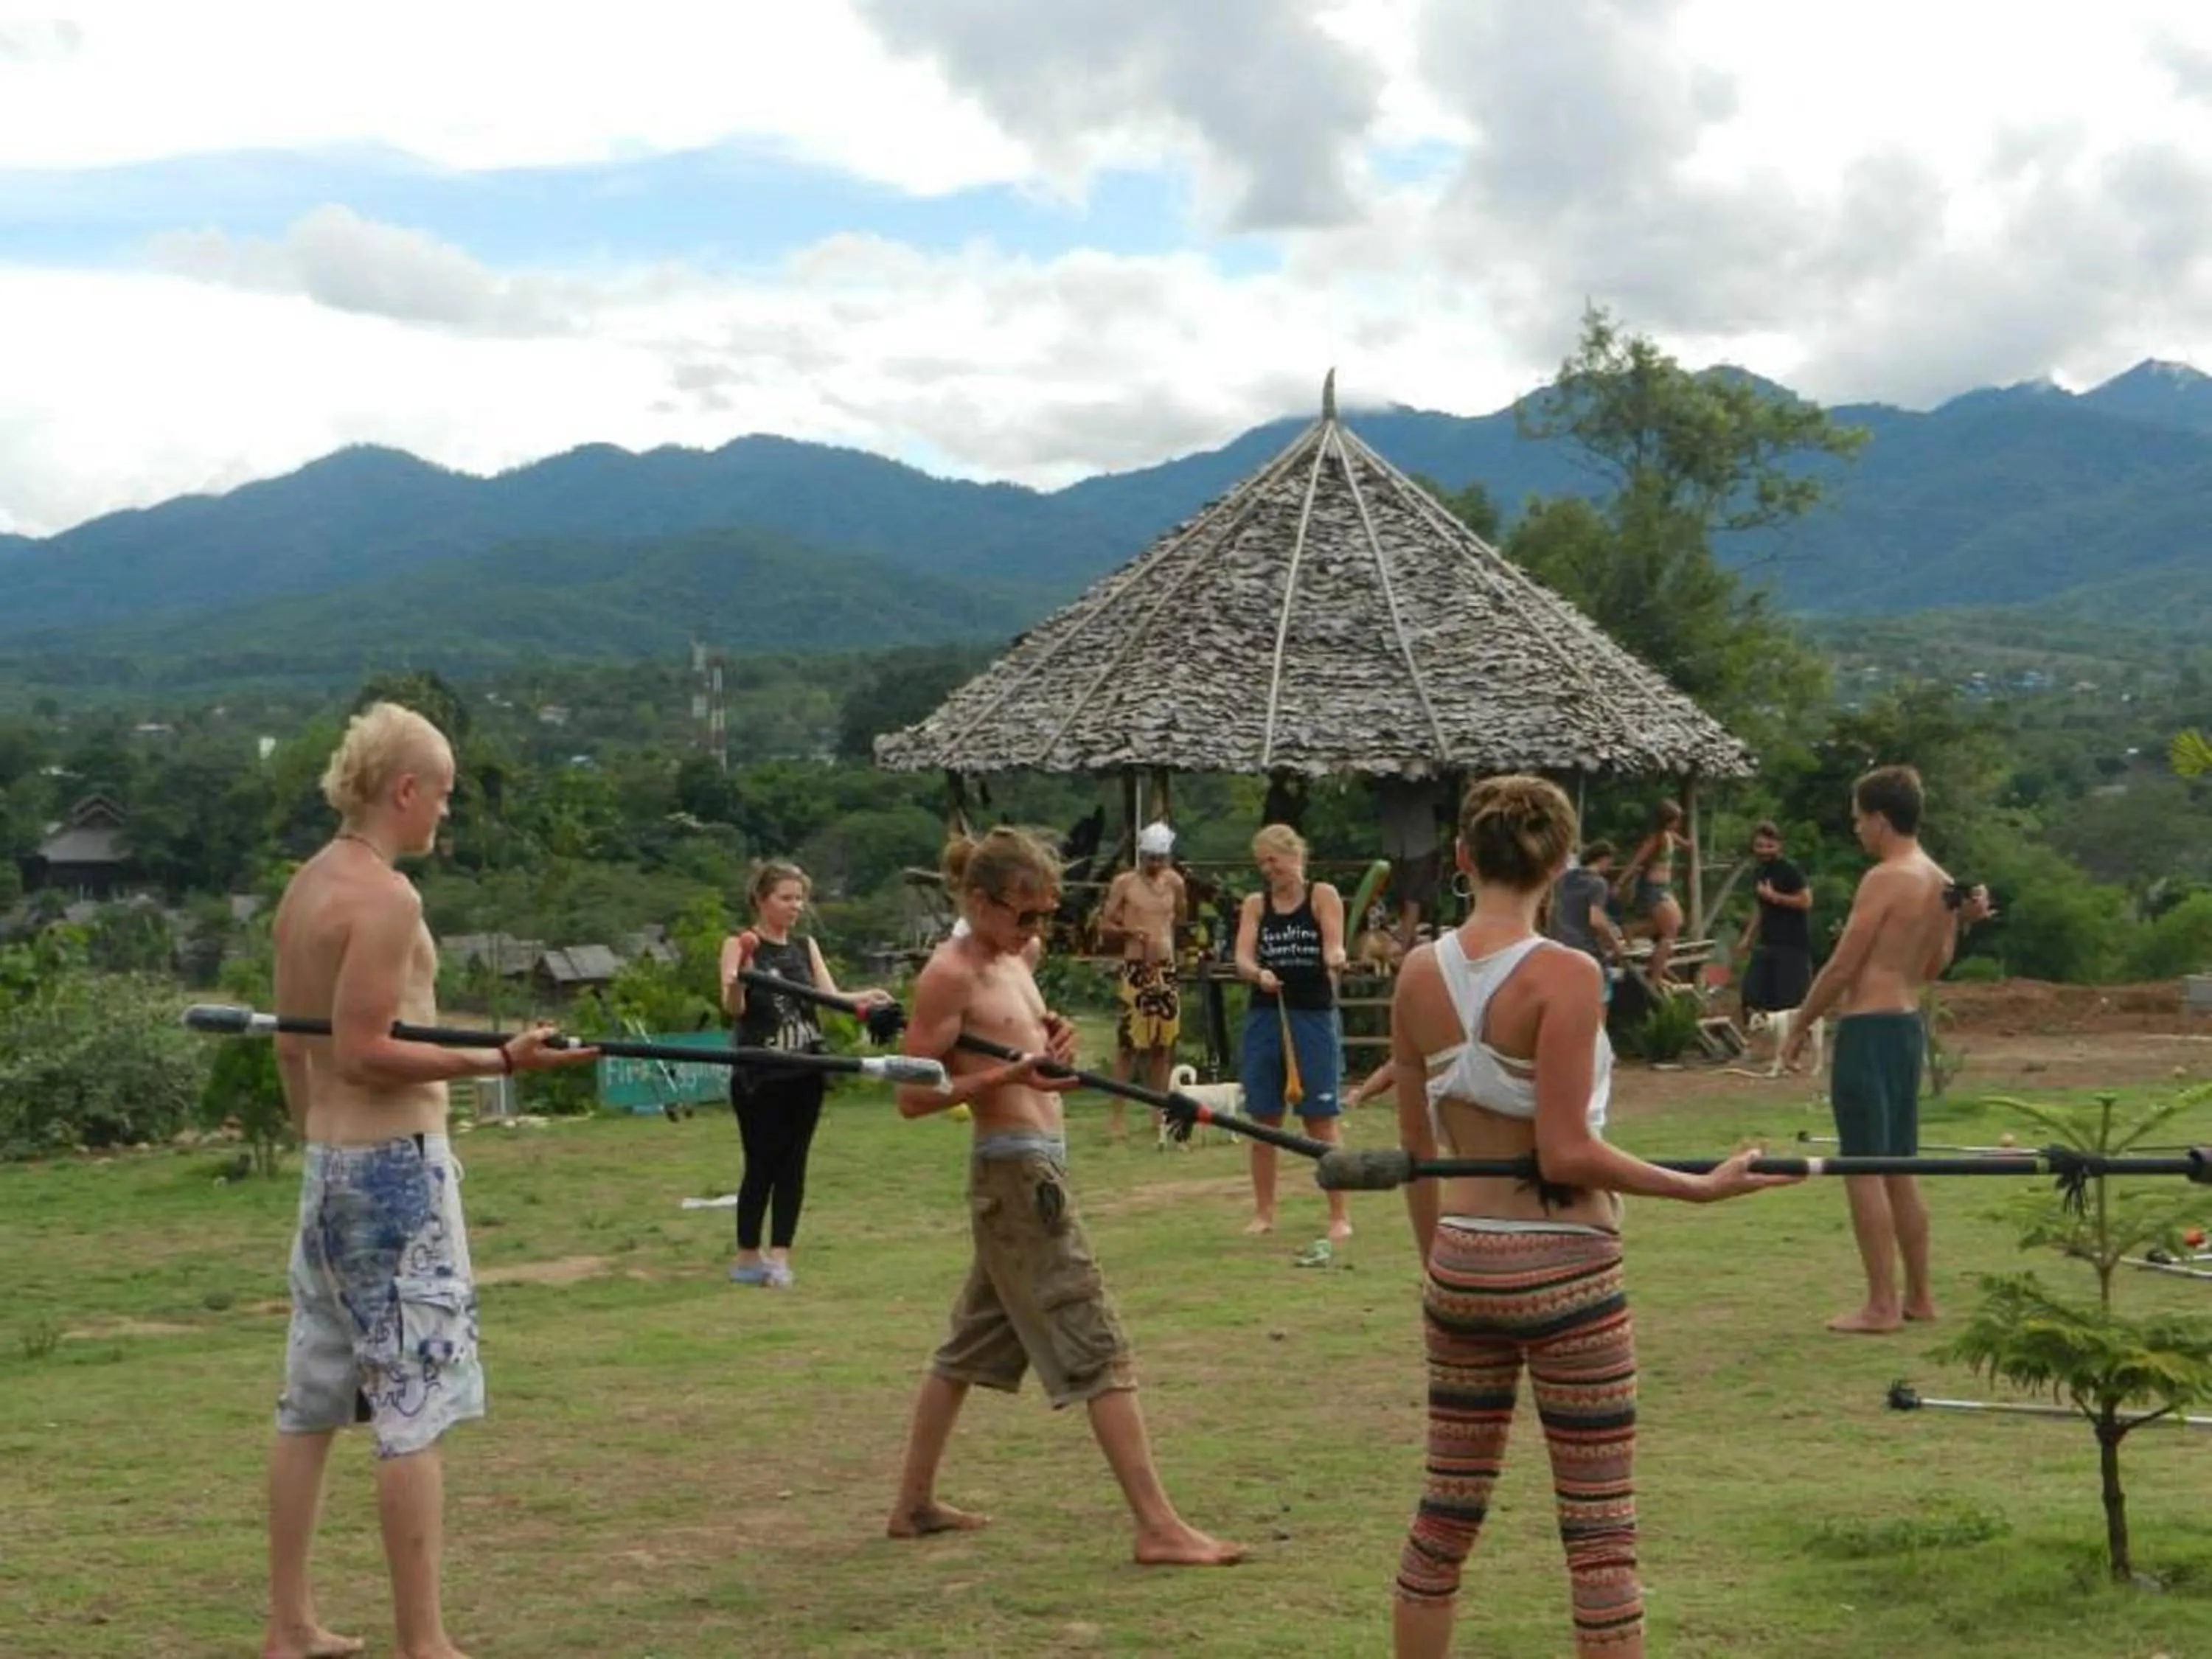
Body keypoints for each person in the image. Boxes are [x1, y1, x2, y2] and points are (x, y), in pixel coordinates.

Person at [1388, 774, 1797, 1659]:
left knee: (1444, 1516)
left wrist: (1440, 1263)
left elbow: (1416, 1154)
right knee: (1600, 1537)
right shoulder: (1565, 974)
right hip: (1567, 1268)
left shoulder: (1418, 972)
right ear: (1563, 863)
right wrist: (1699, 1188)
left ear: (1463, 857)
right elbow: (1567, 1152)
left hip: (1461, 1262)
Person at [262, 703, 597, 1659]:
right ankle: (426, 1641)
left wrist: (316, 1141)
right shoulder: (388, 900)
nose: (445, 811)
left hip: (328, 1172)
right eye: (443, 793)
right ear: (404, 789)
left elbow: (299, 1046)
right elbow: (369, 1052)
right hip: (395, 1178)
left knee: (312, 1398)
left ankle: (290, 1625)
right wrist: (502, 1062)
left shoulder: (305, 887)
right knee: (415, 1401)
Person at [884, 827, 1245, 1568]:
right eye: (1024, 915)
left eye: (1046, 915)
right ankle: (1158, 1527)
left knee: (968, 1347)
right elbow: (911, 1099)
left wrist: (1052, 1042)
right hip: (1017, 1179)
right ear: (980, 903)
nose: (1036, 930)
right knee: (1096, 1341)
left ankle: (912, 1504)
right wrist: (1006, 1078)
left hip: (1035, 1166)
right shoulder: (950, 973)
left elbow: (1029, 1047)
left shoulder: (1016, 960)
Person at [1781, 765, 1992, 1334]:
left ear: (1879, 818)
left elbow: (1845, 962)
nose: (1855, 830)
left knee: (1863, 1167)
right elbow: (1931, 966)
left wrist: (1800, 1023)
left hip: (1869, 1029)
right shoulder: (1939, 878)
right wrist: (1962, 924)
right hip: (1905, 1027)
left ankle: (1880, 1305)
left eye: (1857, 820)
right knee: (1900, 1166)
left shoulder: (1886, 877)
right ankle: (1919, 1297)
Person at [718, 860, 896, 1288]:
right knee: (761, 1163)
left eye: (799, 898)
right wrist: (741, 975)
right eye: (786, 898)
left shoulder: (804, 945)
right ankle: (748, 1257)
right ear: (762, 900)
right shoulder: (740, 944)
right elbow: (733, 1007)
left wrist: (865, 1000)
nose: (795, 906)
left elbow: (828, 998)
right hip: (760, 1074)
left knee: (794, 1164)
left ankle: (781, 1257)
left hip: (807, 1069)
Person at [1234, 823, 1354, 1240]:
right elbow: (1242, 959)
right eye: (1262, 863)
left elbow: (1334, 946)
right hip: (1267, 1013)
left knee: (1320, 1120)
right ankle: (1264, 1212)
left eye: (1275, 860)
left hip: (1313, 1014)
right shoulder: (1256, 904)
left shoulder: (1323, 895)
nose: (1269, 869)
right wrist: (1257, 973)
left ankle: (1339, 1215)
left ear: (1295, 856)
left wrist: (1337, 956)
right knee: (1264, 1119)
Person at [1097, 821, 1187, 1143]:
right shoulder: (1125, 883)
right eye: (1149, 858)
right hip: (1136, 967)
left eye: (1160, 859)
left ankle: (1158, 1112)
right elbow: (1105, 924)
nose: (1154, 865)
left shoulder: (1175, 883)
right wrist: (1128, 932)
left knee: (1163, 1044)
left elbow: (1180, 917)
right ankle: (1117, 1116)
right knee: (1128, 1045)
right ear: (1141, 855)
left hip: (1165, 968)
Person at [1736, 821, 1815, 1055]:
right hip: (1767, 942)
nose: (1763, 850)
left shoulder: (1790, 869)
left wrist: (1776, 897)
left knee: (1790, 1001)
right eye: (1759, 846)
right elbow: (1761, 907)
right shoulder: (1759, 871)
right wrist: (1747, 937)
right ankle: (1761, 1047)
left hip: (1792, 944)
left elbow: (1806, 901)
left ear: (1778, 846)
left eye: (1768, 846)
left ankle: (1793, 1053)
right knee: (1752, 994)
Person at [1615, 800, 1688, 984]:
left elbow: (1684, 843)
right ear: (1666, 820)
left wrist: (1689, 845)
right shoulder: (1656, 838)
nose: (1678, 823)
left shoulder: (1670, 835)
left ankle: (1633, 929)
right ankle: (1654, 978)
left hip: (1664, 887)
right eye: (1676, 820)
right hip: (1653, 888)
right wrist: (1620, 882)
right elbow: (1636, 861)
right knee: (1670, 931)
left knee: (1675, 922)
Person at [1547, 840, 1628, 982]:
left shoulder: (1563, 878)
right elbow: (1596, 920)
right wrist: (1615, 945)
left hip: (1559, 944)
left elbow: (1550, 911)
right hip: (1584, 950)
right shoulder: (1598, 883)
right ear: (1604, 859)